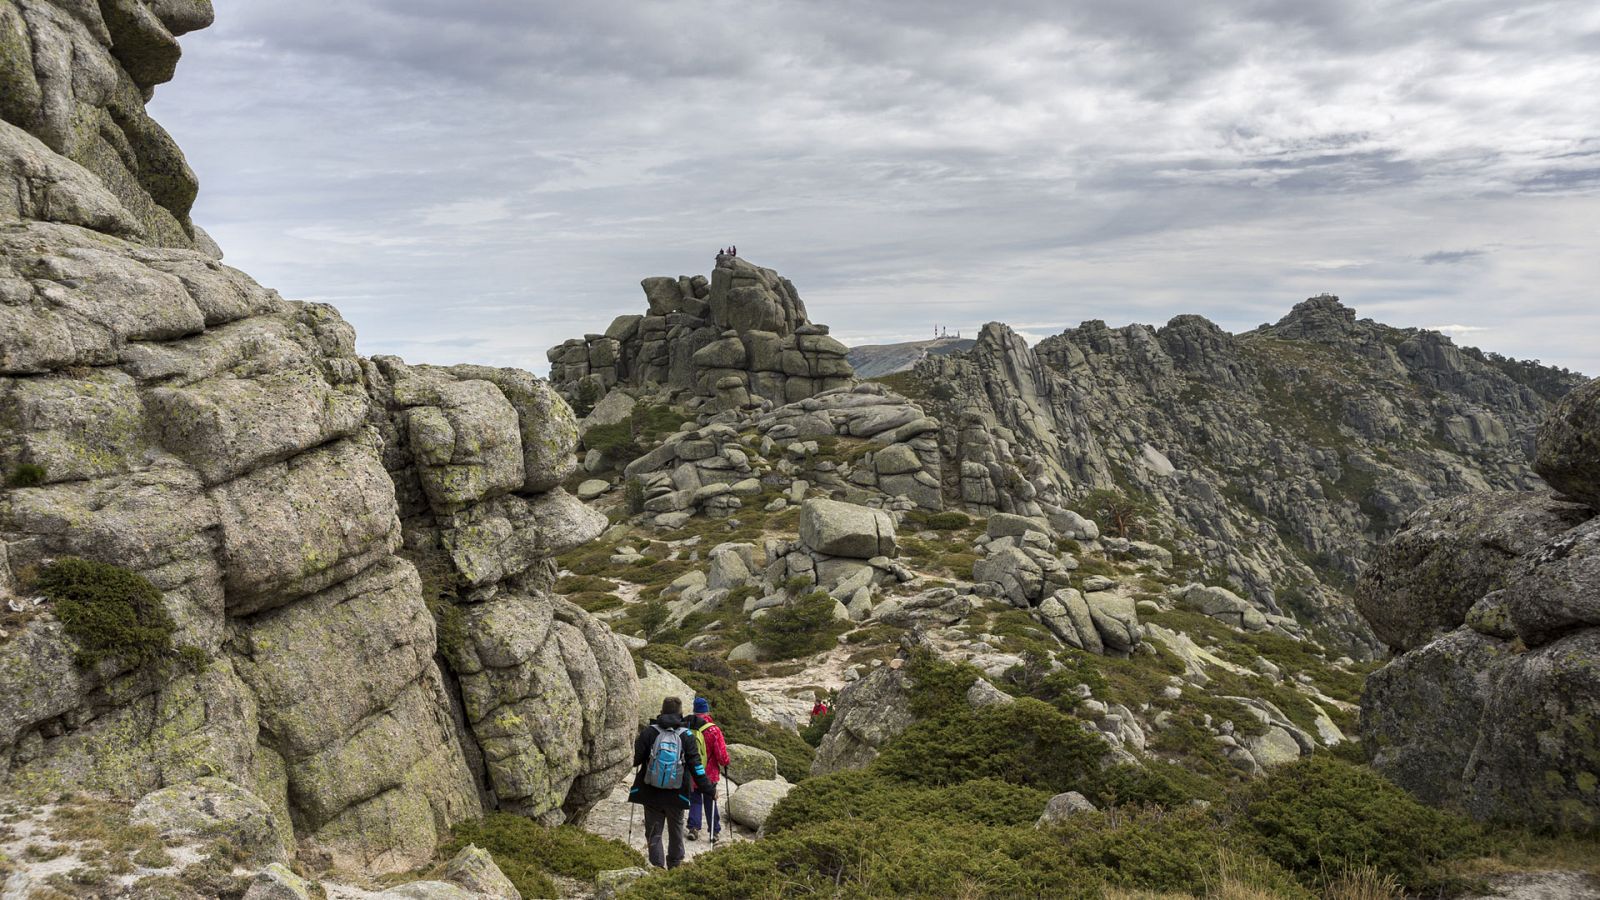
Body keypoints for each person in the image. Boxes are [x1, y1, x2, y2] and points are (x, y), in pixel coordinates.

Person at [629, 696, 710, 869]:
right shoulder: (687, 735)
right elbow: (696, 766)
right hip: (677, 793)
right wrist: (708, 789)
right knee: (676, 831)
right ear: (680, 713)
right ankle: (675, 865)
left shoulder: (649, 732)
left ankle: (657, 868)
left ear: (662, 710)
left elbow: (635, 760)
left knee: (654, 833)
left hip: (651, 792)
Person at [686, 697, 731, 842]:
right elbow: (721, 755)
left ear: (694, 710)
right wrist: (726, 762)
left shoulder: (688, 726)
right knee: (710, 799)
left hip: (692, 771)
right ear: (707, 710)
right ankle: (714, 831)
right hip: (709, 772)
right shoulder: (713, 730)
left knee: (695, 799)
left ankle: (693, 828)